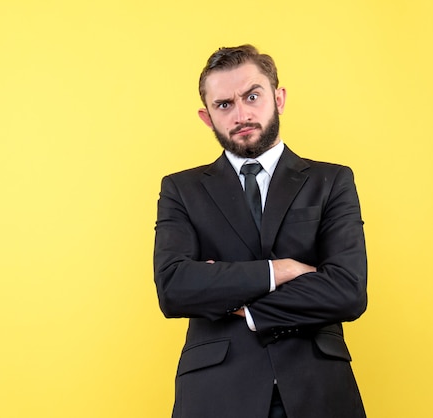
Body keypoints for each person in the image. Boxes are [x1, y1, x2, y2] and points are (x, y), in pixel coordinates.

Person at [154, 44, 368, 418]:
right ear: (207, 117)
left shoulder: (331, 181)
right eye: (224, 105)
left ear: (278, 98)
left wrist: (238, 303)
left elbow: (347, 291)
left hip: (318, 388)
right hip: (216, 393)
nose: (242, 114)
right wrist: (279, 270)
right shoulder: (181, 190)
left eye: (252, 96)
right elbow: (175, 288)